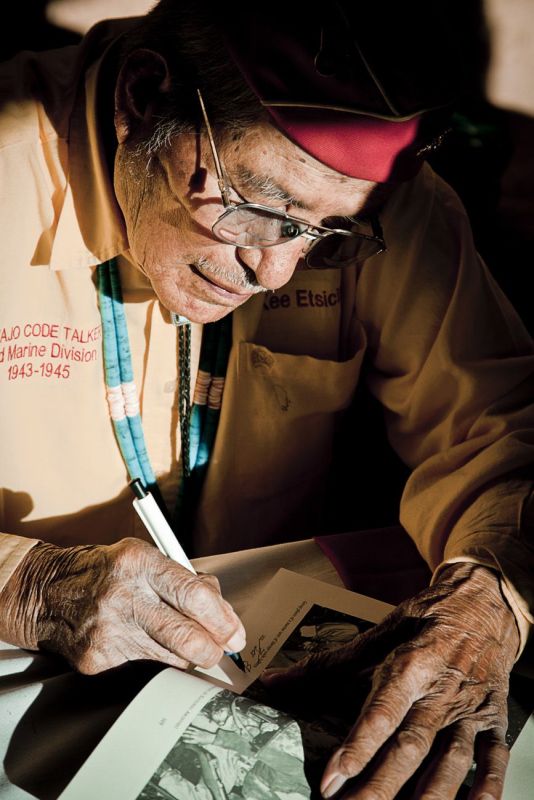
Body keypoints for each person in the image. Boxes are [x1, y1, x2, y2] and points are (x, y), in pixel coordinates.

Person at [0, 2, 532, 797]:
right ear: (142, 96)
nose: (275, 273)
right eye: (260, 206)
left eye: (327, 236)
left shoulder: (379, 200)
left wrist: (491, 595)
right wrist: (23, 582)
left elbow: (504, 430)